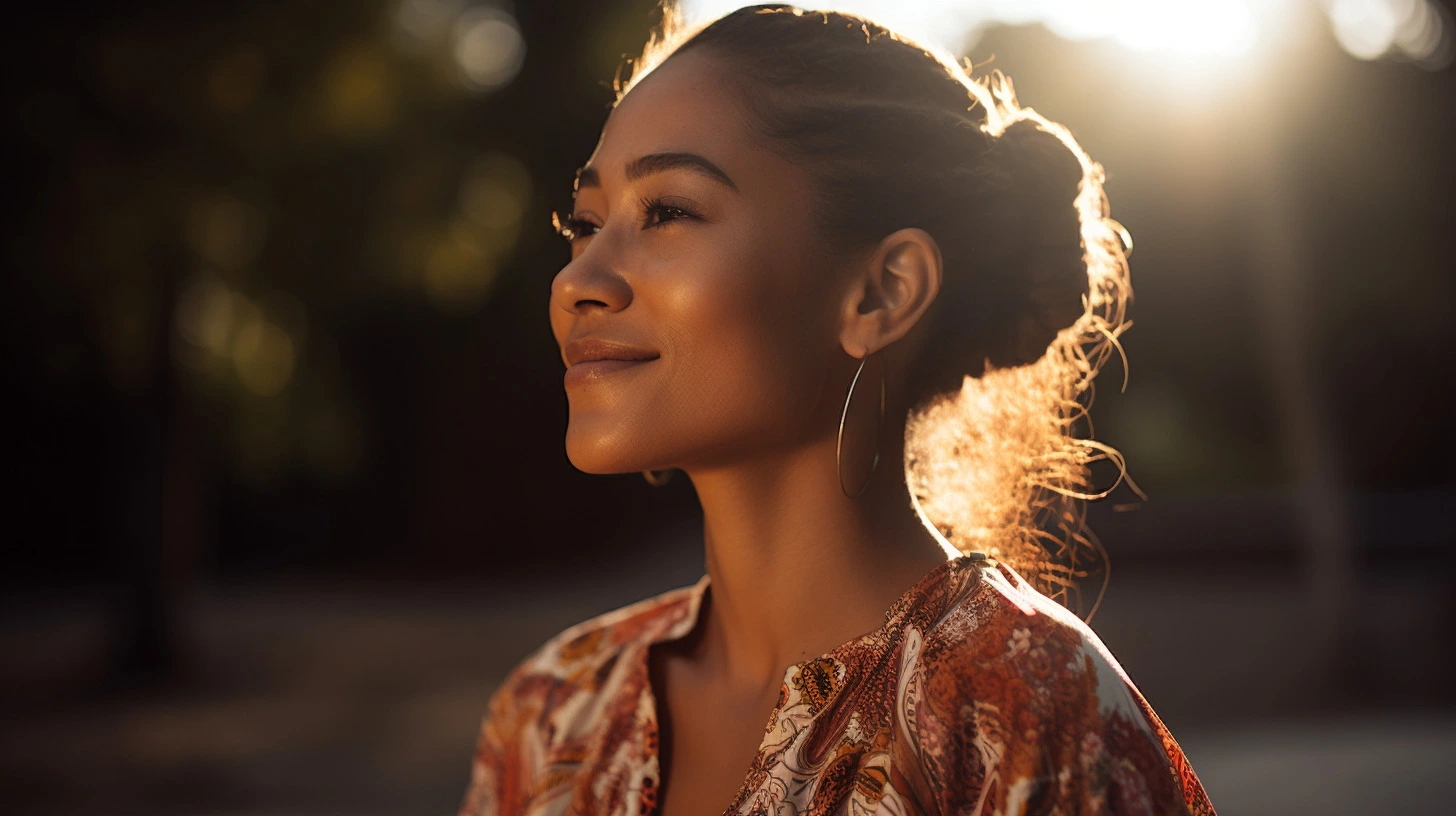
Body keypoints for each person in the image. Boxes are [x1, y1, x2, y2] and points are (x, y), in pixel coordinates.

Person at [459, 3, 1216, 814]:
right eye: (583, 222)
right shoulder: (550, 713)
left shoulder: (1028, 708)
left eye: (668, 211)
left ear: (880, 292)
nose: (576, 282)